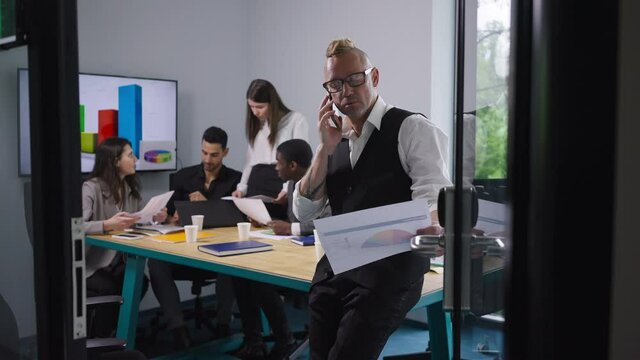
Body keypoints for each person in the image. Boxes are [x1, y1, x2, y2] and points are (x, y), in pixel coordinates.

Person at [292, 38, 452, 359]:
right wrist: (324, 148)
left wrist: (434, 223)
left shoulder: (412, 129)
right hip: (337, 267)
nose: (346, 91)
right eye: (335, 85)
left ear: (373, 77)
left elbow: (433, 195)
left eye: (355, 79)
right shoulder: (334, 141)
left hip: (390, 270)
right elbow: (305, 212)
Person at [231, 139, 329, 360]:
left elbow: (327, 222)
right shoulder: (294, 183)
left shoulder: (320, 182)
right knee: (240, 273)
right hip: (293, 250)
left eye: (278, 162)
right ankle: (254, 342)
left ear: (293, 165)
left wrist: (290, 227)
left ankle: (285, 340)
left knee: (259, 278)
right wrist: (267, 221)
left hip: (316, 255)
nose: (275, 167)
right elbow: (293, 218)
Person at [148, 126, 242, 349]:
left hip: (218, 255)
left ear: (225, 152)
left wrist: (206, 206)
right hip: (184, 252)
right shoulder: (182, 177)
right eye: (204, 152)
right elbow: (170, 217)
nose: (207, 159)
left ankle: (223, 322)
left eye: (214, 154)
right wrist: (168, 217)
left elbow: (237, 219)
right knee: (156, 262)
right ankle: (177, 328)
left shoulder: (236, 181)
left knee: (234, 264)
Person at [83, 137, 167, 338]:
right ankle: (100, 340)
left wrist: (155, 218)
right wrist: (106, 225)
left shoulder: (130, 189)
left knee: (140, 282)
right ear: (115, 161)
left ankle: (114, 332)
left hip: (117, 262)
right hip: (92, 264)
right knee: (112, 288)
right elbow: (76, 226)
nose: (136, 159)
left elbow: (136, 220)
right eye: (131, 155)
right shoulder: (91, 188)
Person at [231, 79, 309, 220]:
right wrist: (241, 188)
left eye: (260, 107)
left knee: (281, 225)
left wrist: (287, 189)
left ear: (272, 103)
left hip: (281, 180)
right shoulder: (257, 126)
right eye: (251, 106)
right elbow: (250, 161)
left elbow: (301, 159)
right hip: (257, 182)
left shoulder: (296, 120)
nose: (255, 112)